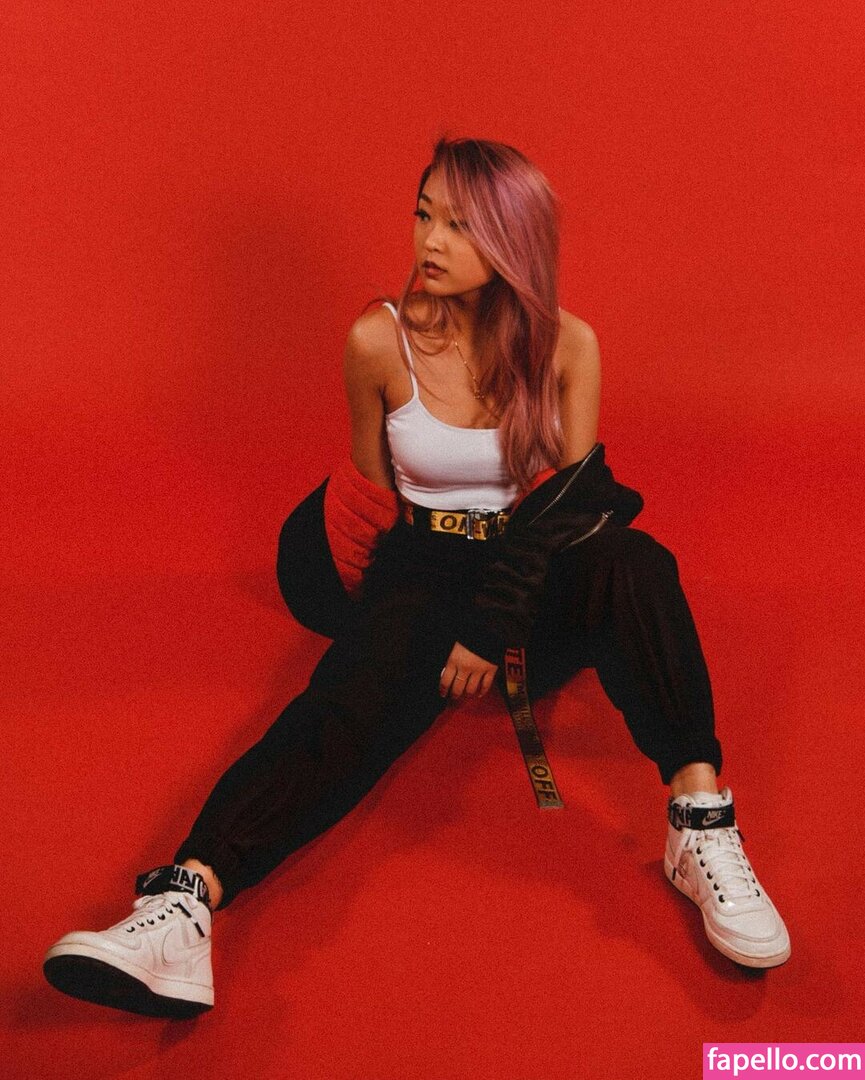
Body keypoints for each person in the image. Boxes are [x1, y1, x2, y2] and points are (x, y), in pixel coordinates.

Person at [43, 137, 790, 1019]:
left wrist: (490, 628)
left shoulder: (568, 346)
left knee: (638, 562)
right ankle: (183, 906)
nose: (429, 240)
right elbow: (373, 500)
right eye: (423, 213)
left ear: (512, 239)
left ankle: (699, 824)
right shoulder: (378, 340)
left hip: (530, 567)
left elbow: (571, 509)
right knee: (346, 701)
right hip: (423, 560)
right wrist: (390, 639)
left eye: (459, 225)